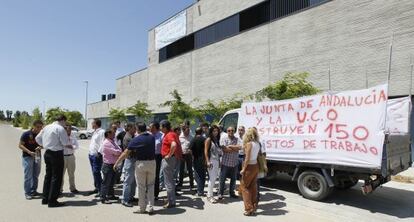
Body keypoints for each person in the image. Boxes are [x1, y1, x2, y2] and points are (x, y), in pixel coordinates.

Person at [35, 115, 72, 208]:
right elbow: (65, 142)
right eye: (65, 122)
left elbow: (37, 138)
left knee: (48, 176)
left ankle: (45, 198)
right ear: (63, 120)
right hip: (56, 154)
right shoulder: (60, 128)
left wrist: (45, 144)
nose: (65, 124)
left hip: (47, 153)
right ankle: (52, 201)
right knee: (56, 177)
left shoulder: (46, 127)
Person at [122, 123, 156, 214]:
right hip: (152, 163)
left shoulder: (136, 140)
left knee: (141, 186)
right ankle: (151, 206)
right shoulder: (152, 137)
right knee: (151, 185)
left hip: (141, 163)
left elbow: (126, 153)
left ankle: (142, 208)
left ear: (137, 129)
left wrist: (117, 162)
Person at [19, 120, 44, 200]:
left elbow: (44, 144)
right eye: (38, 127)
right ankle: (27, 192)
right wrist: (29, 152)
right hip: (27, 157)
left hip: (37, 156)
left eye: (41, 127)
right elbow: (20, 145)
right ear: (33, 126)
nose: (39, 129)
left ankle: (34, 191)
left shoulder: (41, 135)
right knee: (28, 176)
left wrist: (40, 147)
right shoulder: (26, 134)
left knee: (36, 174)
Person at [160, 120, 182, 208]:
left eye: (161, 127)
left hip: (169, 160)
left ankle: (171, 202)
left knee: (168, 182)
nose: (160, 128)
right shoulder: (171, 133)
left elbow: (173, 144)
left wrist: (169, 154)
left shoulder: (169, 135)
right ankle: (171, 199)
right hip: (172, 159)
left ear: (165, 127)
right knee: (170, 180)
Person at [240, 128, 261, 216]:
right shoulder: (258, 143)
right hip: (256, 166)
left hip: (249, 167)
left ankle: (248, 209)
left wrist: (244, 169)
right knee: (253, 187)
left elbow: (247, 158)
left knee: (244, 187)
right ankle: (254, 207)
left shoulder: (249, 144)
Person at [100, 128, 123, 204]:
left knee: (112, 182)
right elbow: (116, 152)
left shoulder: (113, 141)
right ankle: (103, 197)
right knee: (106, 182)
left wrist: (118, 151)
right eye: (113, 133)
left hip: (113, 164)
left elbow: (119, 149)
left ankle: (110, 195)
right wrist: (118, 151)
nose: (114, 134)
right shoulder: (106, 143)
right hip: (107, 165)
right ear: (108, 134)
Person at [219, 126, 241, 200]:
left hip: (234, 163)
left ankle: (232, 193)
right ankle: (220, 193)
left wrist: (231, 146)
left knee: (234, 179)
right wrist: (235, 149)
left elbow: (239, 147)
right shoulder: (223, 138)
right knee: (222, 179)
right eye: (229, 130)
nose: (230, 132)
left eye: (232, 130)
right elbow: (225, 149)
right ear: (227, 131)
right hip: (225, 162)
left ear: (234, 131)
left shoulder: (237, 139)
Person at [119, 123, 137, 207]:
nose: (135, 130)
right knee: (128, 180)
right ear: (129, 128)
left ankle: (130, 197)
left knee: (133, 181)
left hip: (133, 160)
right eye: (134, 128)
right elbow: (130, 151)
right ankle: (125, 199)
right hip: (130, 160)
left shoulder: (132, 136)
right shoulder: (128, 138)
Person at [204, 125, 222, 204]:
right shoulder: (208, 139)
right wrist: (207, 161)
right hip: (211, 161)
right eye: (214, 131)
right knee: (212, 179)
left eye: (217, 131)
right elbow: (205, 151)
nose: (216, 132)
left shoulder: (216, 140)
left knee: (214, 179)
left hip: (216, 161)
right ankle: (209, 196)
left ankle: (210, 195)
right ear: (211, 132)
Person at [88, 119, 105, 196]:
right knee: (94, 172)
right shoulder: (95, 132)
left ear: (96, 124)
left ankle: (101, 190)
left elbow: (102, 143)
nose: (91, 124)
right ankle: (97, 188)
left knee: (96, 172)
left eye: (92, 123)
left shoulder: (101, 132)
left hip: (96, 155)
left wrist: (99, 153)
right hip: (91, 155)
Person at [61, 125, 79, 194]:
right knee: (61, 174)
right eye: (68, 129)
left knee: (71, 174)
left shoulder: (73, 136)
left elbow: (77, 146)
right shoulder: (61, 136)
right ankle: (60, 189)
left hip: (71, 156)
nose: (69, 131)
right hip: (63, 157)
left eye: (70, 129)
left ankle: (72, 188)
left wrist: (72, 146)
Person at [190, 127, 206, 196]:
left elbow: (190, 150)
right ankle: (201, 190)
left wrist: (192, 156)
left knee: (197, 175)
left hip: (196, 159)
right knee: (202, 175)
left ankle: (199, 191)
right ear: (202, 132)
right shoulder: (204, 139)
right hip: (203, 159)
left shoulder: (193, 139)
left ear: (195, 132)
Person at [150, 121, 163, 199]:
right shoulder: (149, 135)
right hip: (149, 156)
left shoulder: (161, 136)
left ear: (155, 127)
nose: (149, 128)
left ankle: (155, 193)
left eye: (151, 127)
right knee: (149, 175)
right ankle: (148, 192)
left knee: (156, 175)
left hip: (158, 157)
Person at [178, 124, 194, 190]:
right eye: (187, 131)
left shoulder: (191, 137)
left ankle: (191, 183)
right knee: (181, 169)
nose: (188, 132)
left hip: (188, 155)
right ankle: (180, 182)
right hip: (182, 154)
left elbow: (193, 146)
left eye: (189, 130)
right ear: (183, 131)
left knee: (190, 169)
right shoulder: (179, 137)